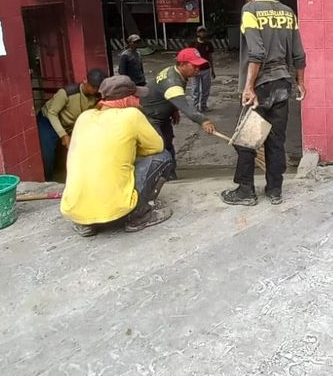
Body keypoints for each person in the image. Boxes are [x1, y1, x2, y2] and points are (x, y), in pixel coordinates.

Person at [223, 0, 306, 207]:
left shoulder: (250, 10)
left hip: (260, 86)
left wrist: (249, 87)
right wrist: (300, 82)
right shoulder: (288, 13)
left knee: (247, 140)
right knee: (275, 141)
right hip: (283, 84)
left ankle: (246, 191)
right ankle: (274, 191)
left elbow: (257, 52)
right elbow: (299, 54)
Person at [60, 76, 176, 236]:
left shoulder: (83, 117)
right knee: (163, 157)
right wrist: (132, 149)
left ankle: (85, 223)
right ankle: (138, 216)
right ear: (126, 99)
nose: (139, 101)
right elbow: (156, 147)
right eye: (136, 97)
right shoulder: (131, 115)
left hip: (74, 210)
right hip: (117, 207)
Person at [141, 48, 217, 159]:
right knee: (159, 147)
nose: (198, 69)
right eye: (194, 66)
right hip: (151, 117)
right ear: (182, 64)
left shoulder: (173, 71)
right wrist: (204, 121)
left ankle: (170, 173)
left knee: (167, 143)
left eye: (198, 66)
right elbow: (186, 108)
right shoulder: (173, 82)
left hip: (159, 114)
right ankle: (162, 173)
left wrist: (174, 109)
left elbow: (170, 96)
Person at [38, 68, 106, 181]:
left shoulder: (97, 96)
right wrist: (63, 135)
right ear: (84, 80)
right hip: (48, 121)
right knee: (47, 153)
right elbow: (52, 113)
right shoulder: (67, 92)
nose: (95, 90)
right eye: (93, 87)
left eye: (98, 88)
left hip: (71, 123)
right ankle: (48, 181)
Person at [191, 27, 215, 113]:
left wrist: (212, 69)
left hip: (206, 69)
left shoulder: (208, 44)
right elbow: (190, 56)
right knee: (195, 89)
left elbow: (210, 57)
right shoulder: (193, 44)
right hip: (195, 69)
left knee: (206, 89)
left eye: (204, 32)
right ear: (197, 33)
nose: (202, 34)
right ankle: (195, 107)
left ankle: (203, 106)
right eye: (200, 32)